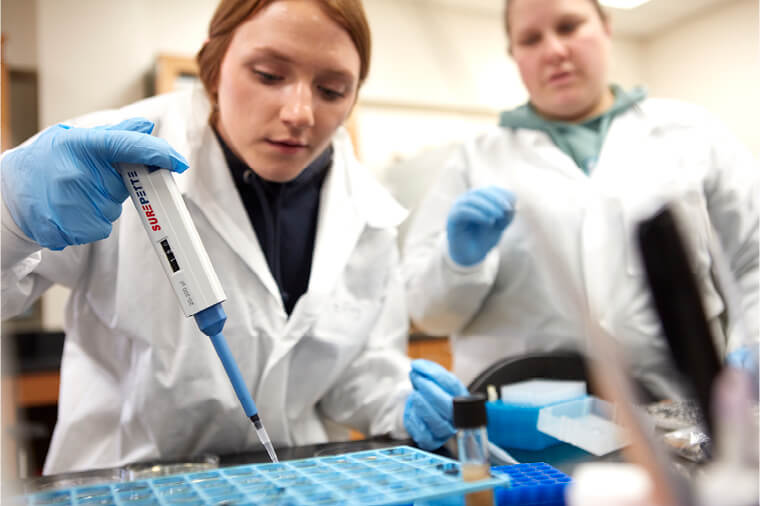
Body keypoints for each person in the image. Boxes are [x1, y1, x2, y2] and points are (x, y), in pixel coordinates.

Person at [1, 0, 464, 474]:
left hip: (293, 481)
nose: (300, 112)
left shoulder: (368, 210)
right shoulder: (111, 155)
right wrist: (9, 214)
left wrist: (400, 399)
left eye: (331, 89)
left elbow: (355, 371)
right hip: (129, 484)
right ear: (214, 63)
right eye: (267, 75)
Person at [403, 0, 759, 400]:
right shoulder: (474, 160)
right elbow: (428, 314)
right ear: (515, 56)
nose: (554, 51)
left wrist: (753, 341)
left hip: (679, 412)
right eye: (530, 39)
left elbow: (753, 258)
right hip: (523, 426)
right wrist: (458, 263)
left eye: (569, 26)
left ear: (606, 28)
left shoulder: (692, 133)